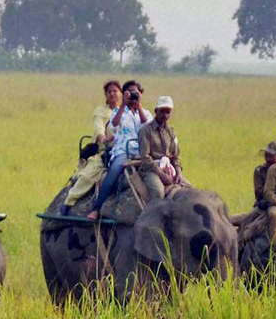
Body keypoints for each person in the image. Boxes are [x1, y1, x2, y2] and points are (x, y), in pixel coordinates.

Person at [86, 79, 151, 220]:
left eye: (136, 92)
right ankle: (97, 208)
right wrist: (123, 105)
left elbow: (148, 127)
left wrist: (138, 106)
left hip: (142, 152)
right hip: (123, 151)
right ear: (124, 95)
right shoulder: (117, 111)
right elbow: (114, 125)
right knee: (114, 171)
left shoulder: (145, 112)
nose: (133, 95)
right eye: (130, 93)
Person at [59, 79, 122, 215]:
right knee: (87, 177)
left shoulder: (126, 111)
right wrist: (103, 138)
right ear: (105, 95)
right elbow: (99, 128)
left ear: (121, 93)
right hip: (105, 150)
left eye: (115, 91)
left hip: (124, 151)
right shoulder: (101, 111)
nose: (112, 94)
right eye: (109, 91)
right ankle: (68, 201)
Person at [137, 95, 184, 198]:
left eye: (168, 112)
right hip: (151, 169)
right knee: (158, 192)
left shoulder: (171, 132)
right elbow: (145, 157)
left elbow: (176, 156)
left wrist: (179, 172)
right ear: (155, 111)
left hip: (168, 167)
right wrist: (161, 175)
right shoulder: (146, 131)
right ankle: (153, 213)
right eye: (162, 111)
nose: (165, 115)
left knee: (189, 190)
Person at [252, 141, 276, 211]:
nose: (268, 159)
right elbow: (259, 193)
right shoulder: (260, 171)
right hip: (264, 204)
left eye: (271, 156)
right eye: (266, 156)